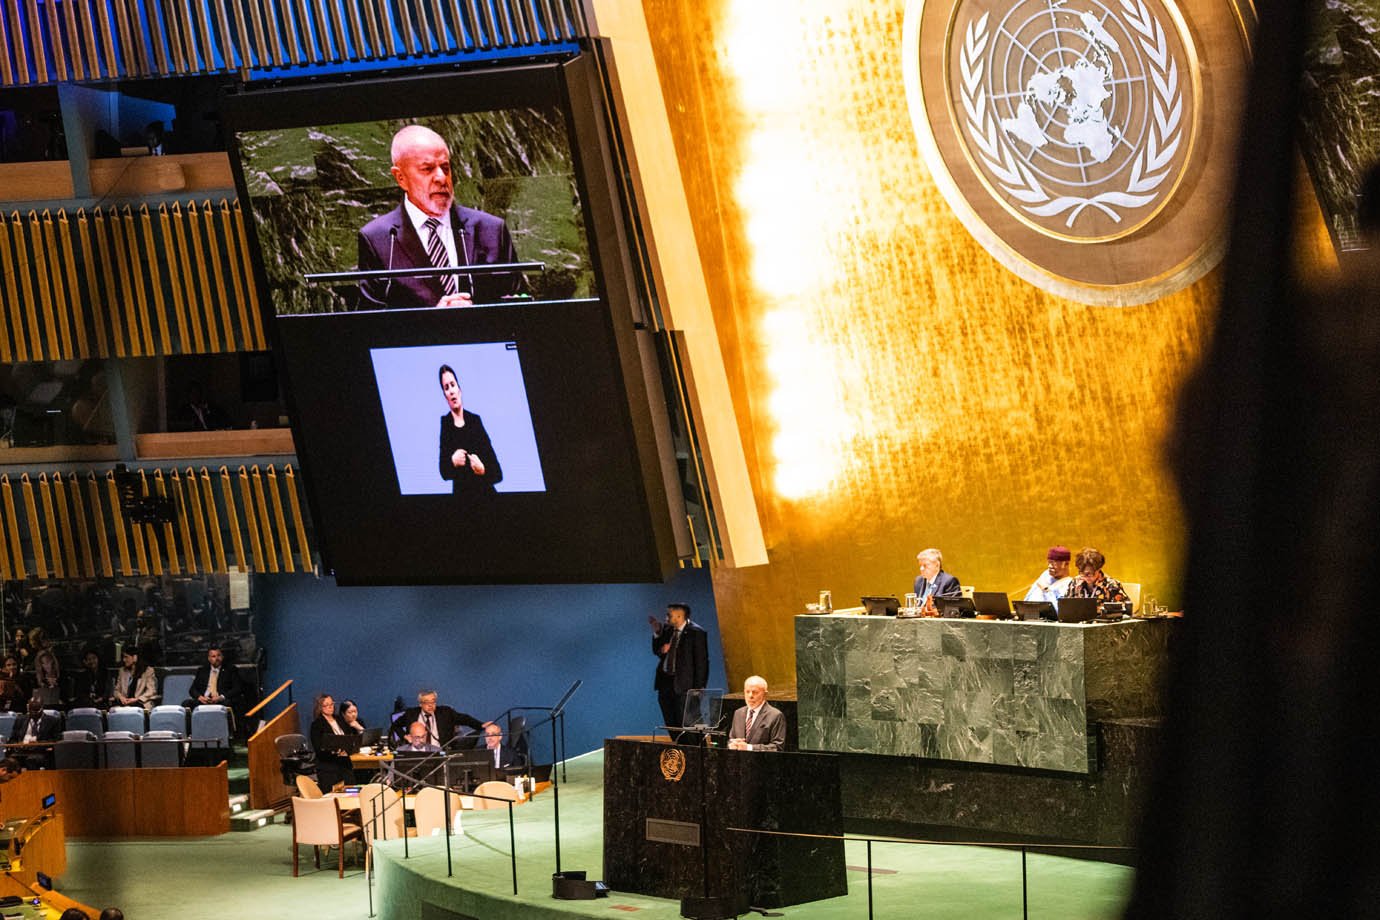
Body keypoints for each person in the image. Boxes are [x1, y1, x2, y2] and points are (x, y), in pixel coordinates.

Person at [357, 124, 523, 309]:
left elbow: (519, 307)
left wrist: (475, 312)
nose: (442, 178)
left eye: (445, 168)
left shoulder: (491, 230)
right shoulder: (377, 239)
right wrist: (434, 319)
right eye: (427, 169)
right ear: (401, 178)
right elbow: (373, 323)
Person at [436, 364, 503, 499]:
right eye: (446, 387)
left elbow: (497, 473)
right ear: (445, 395)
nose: (451, 391)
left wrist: (482, 469)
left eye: (453, 385)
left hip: (486, 496)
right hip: (462, 501)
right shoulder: (446, 424)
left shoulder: (475, 421)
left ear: (459, 389)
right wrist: (452, 462)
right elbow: (444, 472)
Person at [650, 603, 709, 742]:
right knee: (671, 721)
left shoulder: (696, 632)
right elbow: (657, 651)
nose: (666, 618)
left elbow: (702, 661)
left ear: (679, 616)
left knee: (690, 723)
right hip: (665, 683)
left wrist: (699, 686)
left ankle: (698, 754)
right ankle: (681, 752)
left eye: (669, 615)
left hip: (686, 685)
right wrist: (658, 633)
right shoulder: (668, 630)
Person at [390, 689, 487, 749]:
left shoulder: (445, 712)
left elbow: (465, 719)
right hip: (418, 753)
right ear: (420, 704)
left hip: (440, 752)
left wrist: (481, 725)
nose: (430, 705)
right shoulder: (411, 713)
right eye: (426, 702)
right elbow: (395, 725)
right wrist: (405, 736)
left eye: (433, 701)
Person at [308, 693, 356, 790]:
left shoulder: (340, 719)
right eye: (326, 705)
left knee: (351, 791)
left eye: (332, 704)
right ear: (320, 707)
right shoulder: (317, 725)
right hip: (329, 766)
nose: (330, 707)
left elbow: (350, 736)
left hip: (345, 763)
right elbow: (318, 748)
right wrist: (335, 752)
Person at [727, 676, 787, 752]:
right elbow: (731, 739)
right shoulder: (738, 713)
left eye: (755, 692)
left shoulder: (775, 715)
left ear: (765, 694)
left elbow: (777, 747)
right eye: (747, 691)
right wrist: (732, 744)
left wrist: (749, 747)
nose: (750, 696)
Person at [1065, 547, 1129, 605]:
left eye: (1090, 573)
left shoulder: (1111, 585)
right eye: (1082, 573)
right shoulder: (1075, 583)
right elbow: (1065, 606)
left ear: (1099, 569)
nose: (1086, 577)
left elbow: (1124, 609)